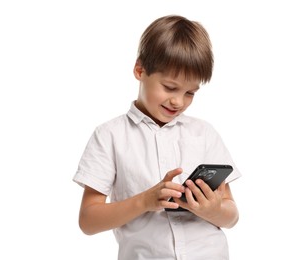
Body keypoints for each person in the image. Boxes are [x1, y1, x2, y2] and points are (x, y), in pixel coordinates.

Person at [73, 15, 241, 260]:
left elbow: (232, 216)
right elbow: (88, 221)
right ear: (140, 70)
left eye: (190, 93)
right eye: (170, 87)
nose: (179, 101)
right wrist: (145, 201)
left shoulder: (204, 133)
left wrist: (212, 209)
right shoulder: (109, 135)